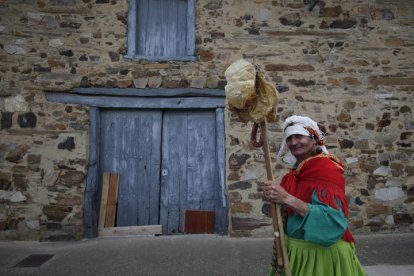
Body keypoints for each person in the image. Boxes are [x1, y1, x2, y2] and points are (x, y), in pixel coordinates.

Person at [264, 115, 366, 276]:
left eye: (299, 136)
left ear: (314, 139)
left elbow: (332, 222)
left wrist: (286, 198)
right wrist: (276, 197)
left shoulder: (326, 170)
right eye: (289, 138)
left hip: (321, 257)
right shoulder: (293, 174)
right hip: (295, 253)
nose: (293, 142)